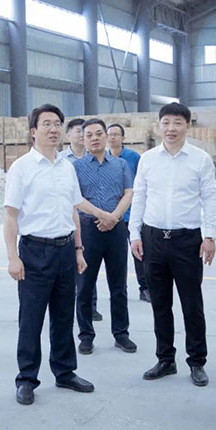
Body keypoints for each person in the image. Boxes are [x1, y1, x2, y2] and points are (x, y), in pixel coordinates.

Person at [4, 103, 94, 406]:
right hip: (34, 252)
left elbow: (73, 210)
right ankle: (26, 379)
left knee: (63, 315)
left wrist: (78, 249)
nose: (54, 129)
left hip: (65, 249)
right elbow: (10, 215)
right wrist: (12, 257)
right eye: (47, 124)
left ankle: (65, 371)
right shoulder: (21, 168)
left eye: (57, 123)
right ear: (33, 131)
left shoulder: (67, 167)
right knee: (31, 319)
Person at [129, 103, 216, 386]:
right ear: (159, 126)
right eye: (166, 122)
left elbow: (209, 198)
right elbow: (139, 197)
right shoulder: (148, 160)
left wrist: (210, 236)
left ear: (187, 126)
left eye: (177, 123)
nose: (171, 128)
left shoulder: (200, 159)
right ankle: (165, 359)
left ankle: (197, 361)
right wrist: (134, 234)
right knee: (160, 304)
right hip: (153, 239)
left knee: (192, 304)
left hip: (187, 241)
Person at [73, 118, 136, 355]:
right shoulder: (75, 168)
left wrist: (114, 217)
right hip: (88, 230)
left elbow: (128, 193)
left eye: (99, 133)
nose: (95, 138)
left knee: (118, 285)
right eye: (89, 135)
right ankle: (86, 336)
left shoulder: (120, 165)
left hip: (116, 229)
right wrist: (102, 215)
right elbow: (76, 199)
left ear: (106, 136)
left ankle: (121, 334)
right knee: (84, 286)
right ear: (83, 139)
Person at [60, 117, 100, 321]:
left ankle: (91, 306)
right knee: (71, 267)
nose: (81, 135)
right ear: (68, 135)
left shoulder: (95, 158)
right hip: (69, 219)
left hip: (90, 219)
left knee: (88, 264)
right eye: (77, 131)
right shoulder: (60, 161)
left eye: (83, 132)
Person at [106, 123, 149, 302]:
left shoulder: (134, 158)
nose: (112, 137)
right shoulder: (102, 158)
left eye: (116, 134)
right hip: (111, 216)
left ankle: (145, 288)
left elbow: (142, 183)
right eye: (110, 134)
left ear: (123, 138)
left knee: (139, 253)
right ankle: (119, 290)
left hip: (131, 214)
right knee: (116, 257)